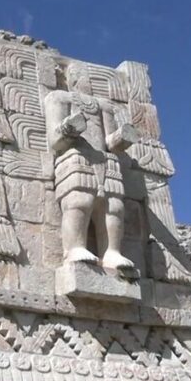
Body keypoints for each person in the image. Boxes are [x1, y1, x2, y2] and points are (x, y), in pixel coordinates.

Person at [44, 64, 138, 270]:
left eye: (85, 75)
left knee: (114, 207)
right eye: (76, 74)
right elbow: (54, 140)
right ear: (69, 79)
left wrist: (122, 137)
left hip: (105, 160)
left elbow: (109, 141)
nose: (82, 78)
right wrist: (69, 128)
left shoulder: (103, 106)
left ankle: (112, 252)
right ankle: (74, 248)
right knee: (79, 201)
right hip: (75, 157)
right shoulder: (59, 98)